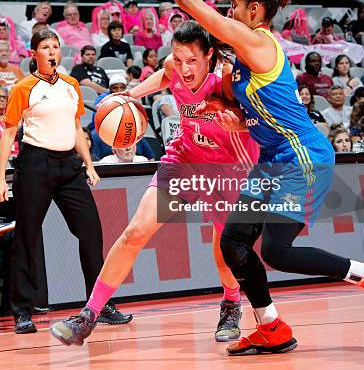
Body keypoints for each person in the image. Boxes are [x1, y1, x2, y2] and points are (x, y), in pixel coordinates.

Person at [142, 0, 364, 356]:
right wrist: (236, 118)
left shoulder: (258, 42)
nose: (229, 11)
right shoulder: (243, 58)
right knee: (234, 242)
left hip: (301, 157)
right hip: (273, 160)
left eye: (235, 6)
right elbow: (259, 107)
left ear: (254, 11)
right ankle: (271, 326)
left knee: (276, 251)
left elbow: (192, 6)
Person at [50, 20, 260, 346]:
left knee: (225, 250)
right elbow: (165, 76)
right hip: (184, 161)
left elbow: (262, 122)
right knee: (136, 231)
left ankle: (231, 302)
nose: (184, 68)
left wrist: (239, 124)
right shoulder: (172, 68)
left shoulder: (230, 82)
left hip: (227, 169)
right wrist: (130, 96)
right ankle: (89, 314)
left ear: (211, 56)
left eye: (192, 60)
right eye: (178, 59)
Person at [0, 30, 131, 333]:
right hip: (35, 164)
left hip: (69, 166)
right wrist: (1, 179)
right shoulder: (24, 88)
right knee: (27, 237)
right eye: (45, 47)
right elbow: (8, 134)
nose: (51, 51)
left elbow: (76, 128)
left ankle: (99, 305)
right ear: (34, 53)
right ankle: (22, 311)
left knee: (91, 232)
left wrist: (88, 165)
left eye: (55, 47)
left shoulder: (71, 85)